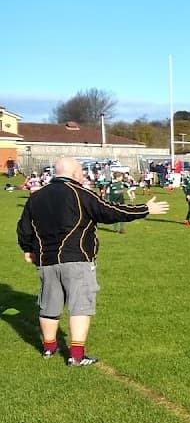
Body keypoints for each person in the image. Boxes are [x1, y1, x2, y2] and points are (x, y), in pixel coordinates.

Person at [16, 156, 169, 365]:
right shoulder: (81, 194)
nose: (82, 174)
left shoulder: (36, 197)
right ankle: (77, 356)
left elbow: (24, 227)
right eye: (80, 171)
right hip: (77, 258)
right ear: (74, 173)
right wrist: (145, 209)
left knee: (49, 306)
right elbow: (110, 211)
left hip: (46, 261)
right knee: (80, 305)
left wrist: (27, 249)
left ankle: (49, 349)